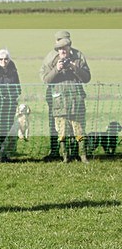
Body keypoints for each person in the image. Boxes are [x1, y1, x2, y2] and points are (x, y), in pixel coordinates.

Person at [40, 33, 91, 163]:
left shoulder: (78, 57)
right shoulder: (51, 59)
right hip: (59, 100)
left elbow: (87, 78)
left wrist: (75, 68)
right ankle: (64, 156)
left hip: (76, 99)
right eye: (60, 48)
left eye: (65, 47)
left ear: (69, 46)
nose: (63, 51)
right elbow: (45, 80)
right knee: (61, 130)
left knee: (79, 129)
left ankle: (82, 155)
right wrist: (57, 69)